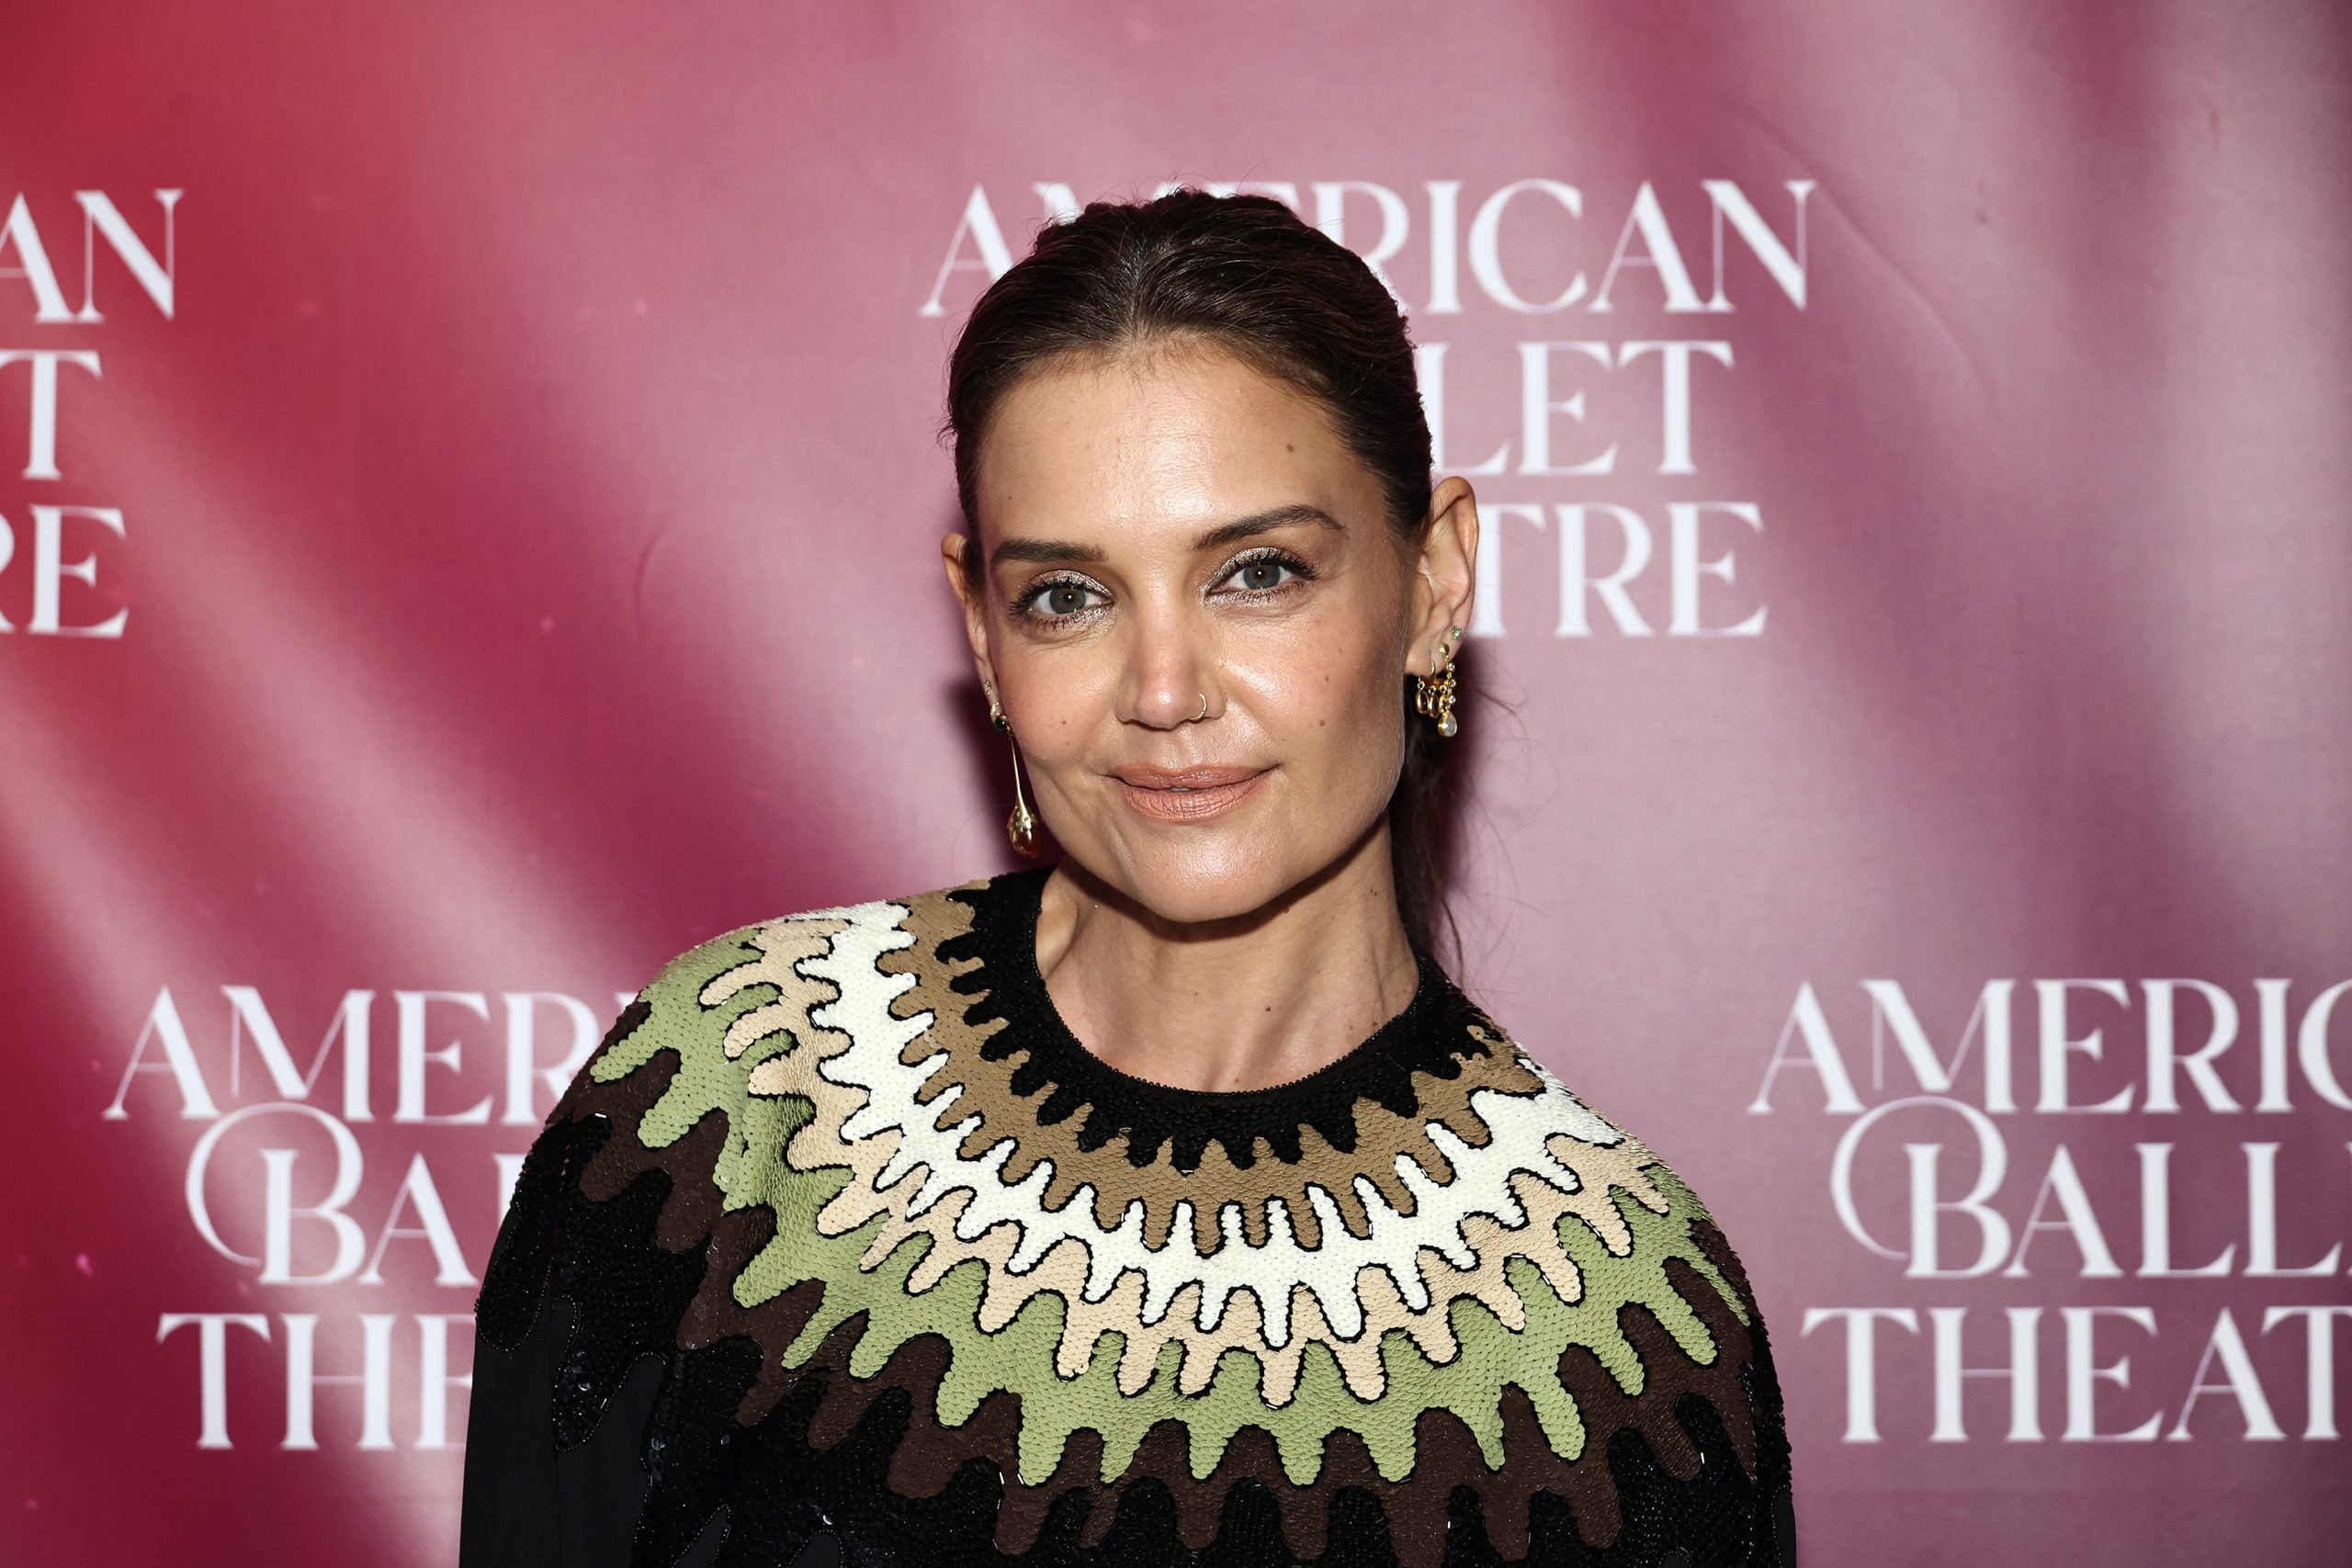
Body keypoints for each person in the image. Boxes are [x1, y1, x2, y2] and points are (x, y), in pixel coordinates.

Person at [459, 189, 1796, 1568]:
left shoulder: (1625, 1344)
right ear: (983, 632)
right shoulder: (730, 1114)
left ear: (1435, 578)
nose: (1163, 692)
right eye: (1068, 597)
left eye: (1258, 573)